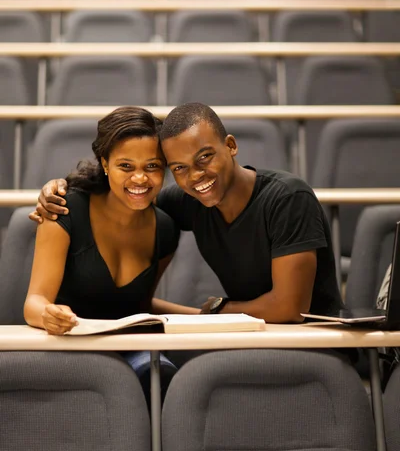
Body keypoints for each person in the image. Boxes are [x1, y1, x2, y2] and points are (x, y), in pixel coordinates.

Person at [31, 102, 344, 324]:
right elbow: (130, 198)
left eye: (205, 157)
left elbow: (290, 308)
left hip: (313, 341)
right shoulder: (184, 202)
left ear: (231, 146)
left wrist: (216, 312)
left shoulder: (288, 196)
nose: (196, 176)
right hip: (249, 340)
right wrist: (59, 188)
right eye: (180, 168)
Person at [24, 105, 199, 407]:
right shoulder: (63, 208)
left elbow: (138, 305)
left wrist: (210, 316)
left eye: (153, 166)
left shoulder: (166, 229)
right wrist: (48, 316)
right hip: (68, 346)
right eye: (126, 166)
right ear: (105, 163)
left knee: (163, 378)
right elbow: (34, 303)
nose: (140, 179)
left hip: (129, 352)